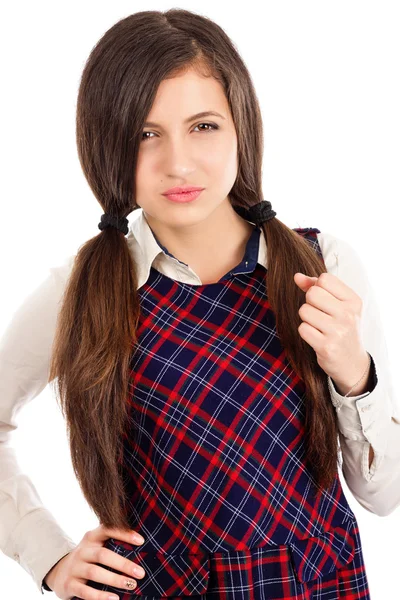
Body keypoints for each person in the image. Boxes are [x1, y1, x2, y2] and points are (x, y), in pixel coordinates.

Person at [1, 8, 399, 600]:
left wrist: (353, 373)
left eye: (204, 126)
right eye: (145, 133)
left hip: (316, 585)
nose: (178, 163)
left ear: (242, 127)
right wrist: (49, 555)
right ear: (105, 142)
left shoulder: (320, 267)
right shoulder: (81, 290)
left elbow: (383, 495)